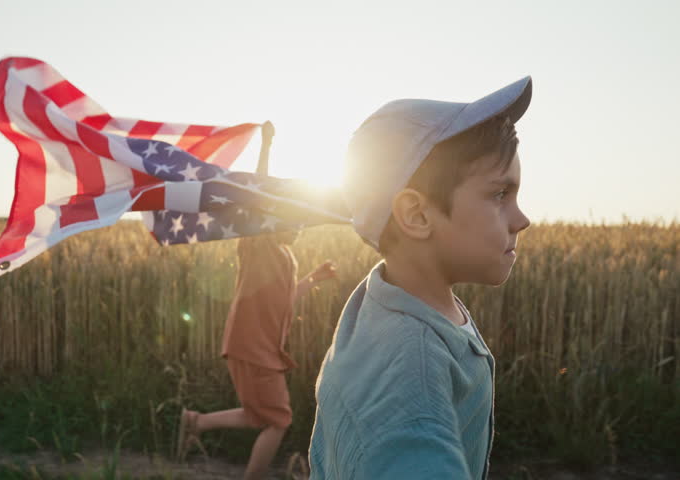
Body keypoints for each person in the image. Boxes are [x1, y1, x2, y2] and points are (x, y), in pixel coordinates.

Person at [308, 77, 534, 479]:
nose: (522, 220)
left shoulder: (383, 299)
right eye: (500, 195)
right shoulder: (413, 377)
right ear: (416, 215)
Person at [178, 229, 337, 480]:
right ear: (271, 220)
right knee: (279, 419)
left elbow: (285, 300)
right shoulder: (259, 245)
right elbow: (250, 226)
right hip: (252, 348)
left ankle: (196, 422)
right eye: (294, 220)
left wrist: (312, 279)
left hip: (260, 349)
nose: (299, 228)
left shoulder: (284, 253)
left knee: (258, 414)